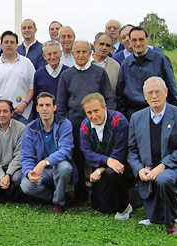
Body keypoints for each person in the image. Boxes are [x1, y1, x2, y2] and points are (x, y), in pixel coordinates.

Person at [128, 77, 177, 235]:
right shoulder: (137, 118)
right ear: (144, 96)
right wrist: (138, 170)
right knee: (154, 217)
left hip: (172, 167)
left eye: (158, 92)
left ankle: (173, 220)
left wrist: (163, 165)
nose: (154, 96)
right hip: (148, 168)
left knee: (163, 179)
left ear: (166, 92)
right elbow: (132, 150)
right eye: (150, 93)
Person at [56, 40, 114, 202]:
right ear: (72, 54)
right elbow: (61, 104)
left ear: (90, 53)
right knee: (78, 159)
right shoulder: (66, 75)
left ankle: (98, 193)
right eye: (77, 52)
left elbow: (108, 98)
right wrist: (65, 124)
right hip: (74, 125)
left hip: (97, 125)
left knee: (97, 159)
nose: (81, 55)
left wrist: (106, 120)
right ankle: (80, 193)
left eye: (84, 52)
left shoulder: (99, 73)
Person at [79, 93, 134, 220]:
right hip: (102, 166)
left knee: (112, 173)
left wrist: (101, 169)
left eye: (96, 110)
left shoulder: (119, 120)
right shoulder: (85, 126)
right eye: (89, 112)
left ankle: (127, 203)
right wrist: (106, 161)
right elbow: (87, 152)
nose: (93, 116)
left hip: (122, 165)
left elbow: (120, 152)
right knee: (103, 207)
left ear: (105, 108)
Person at [20, 92, 75, 213]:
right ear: (37, 108)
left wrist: (44, 162)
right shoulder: (30, 128)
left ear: (54, 107)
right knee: (26, 185)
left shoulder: (64, 124)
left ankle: (59, 203)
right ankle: (55, 195)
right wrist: (29, 172)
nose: (44, 108)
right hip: (41, 171)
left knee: (64, 167)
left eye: (48, 105)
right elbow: (26, 156)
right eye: (41, 105)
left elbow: (65, 150)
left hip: (57, 166)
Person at [117, 26, 177, 120]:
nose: (138, 43)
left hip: (158, 111)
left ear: (147, 40)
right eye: (134, 40)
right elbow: (121, 94)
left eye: (141, 39)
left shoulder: (160, 59)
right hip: (134, 114)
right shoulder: (125, 64)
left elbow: (171, 88)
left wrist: (174, 114)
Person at [0, 31, 35, 125]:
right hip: (2, 112)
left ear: (17, 45)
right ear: (1, 45)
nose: (9, 45)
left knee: (23, 139)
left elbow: (32, 86)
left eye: (12, 42)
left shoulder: (27, 63)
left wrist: (25, 103)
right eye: (6, 42)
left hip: (23, 112)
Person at [91, 32, 120, 104]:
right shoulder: (85, 63)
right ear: (95, 44)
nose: (104, 47)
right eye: (101, 44)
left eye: (107, 45)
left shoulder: (116, 66)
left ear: (111, 48)